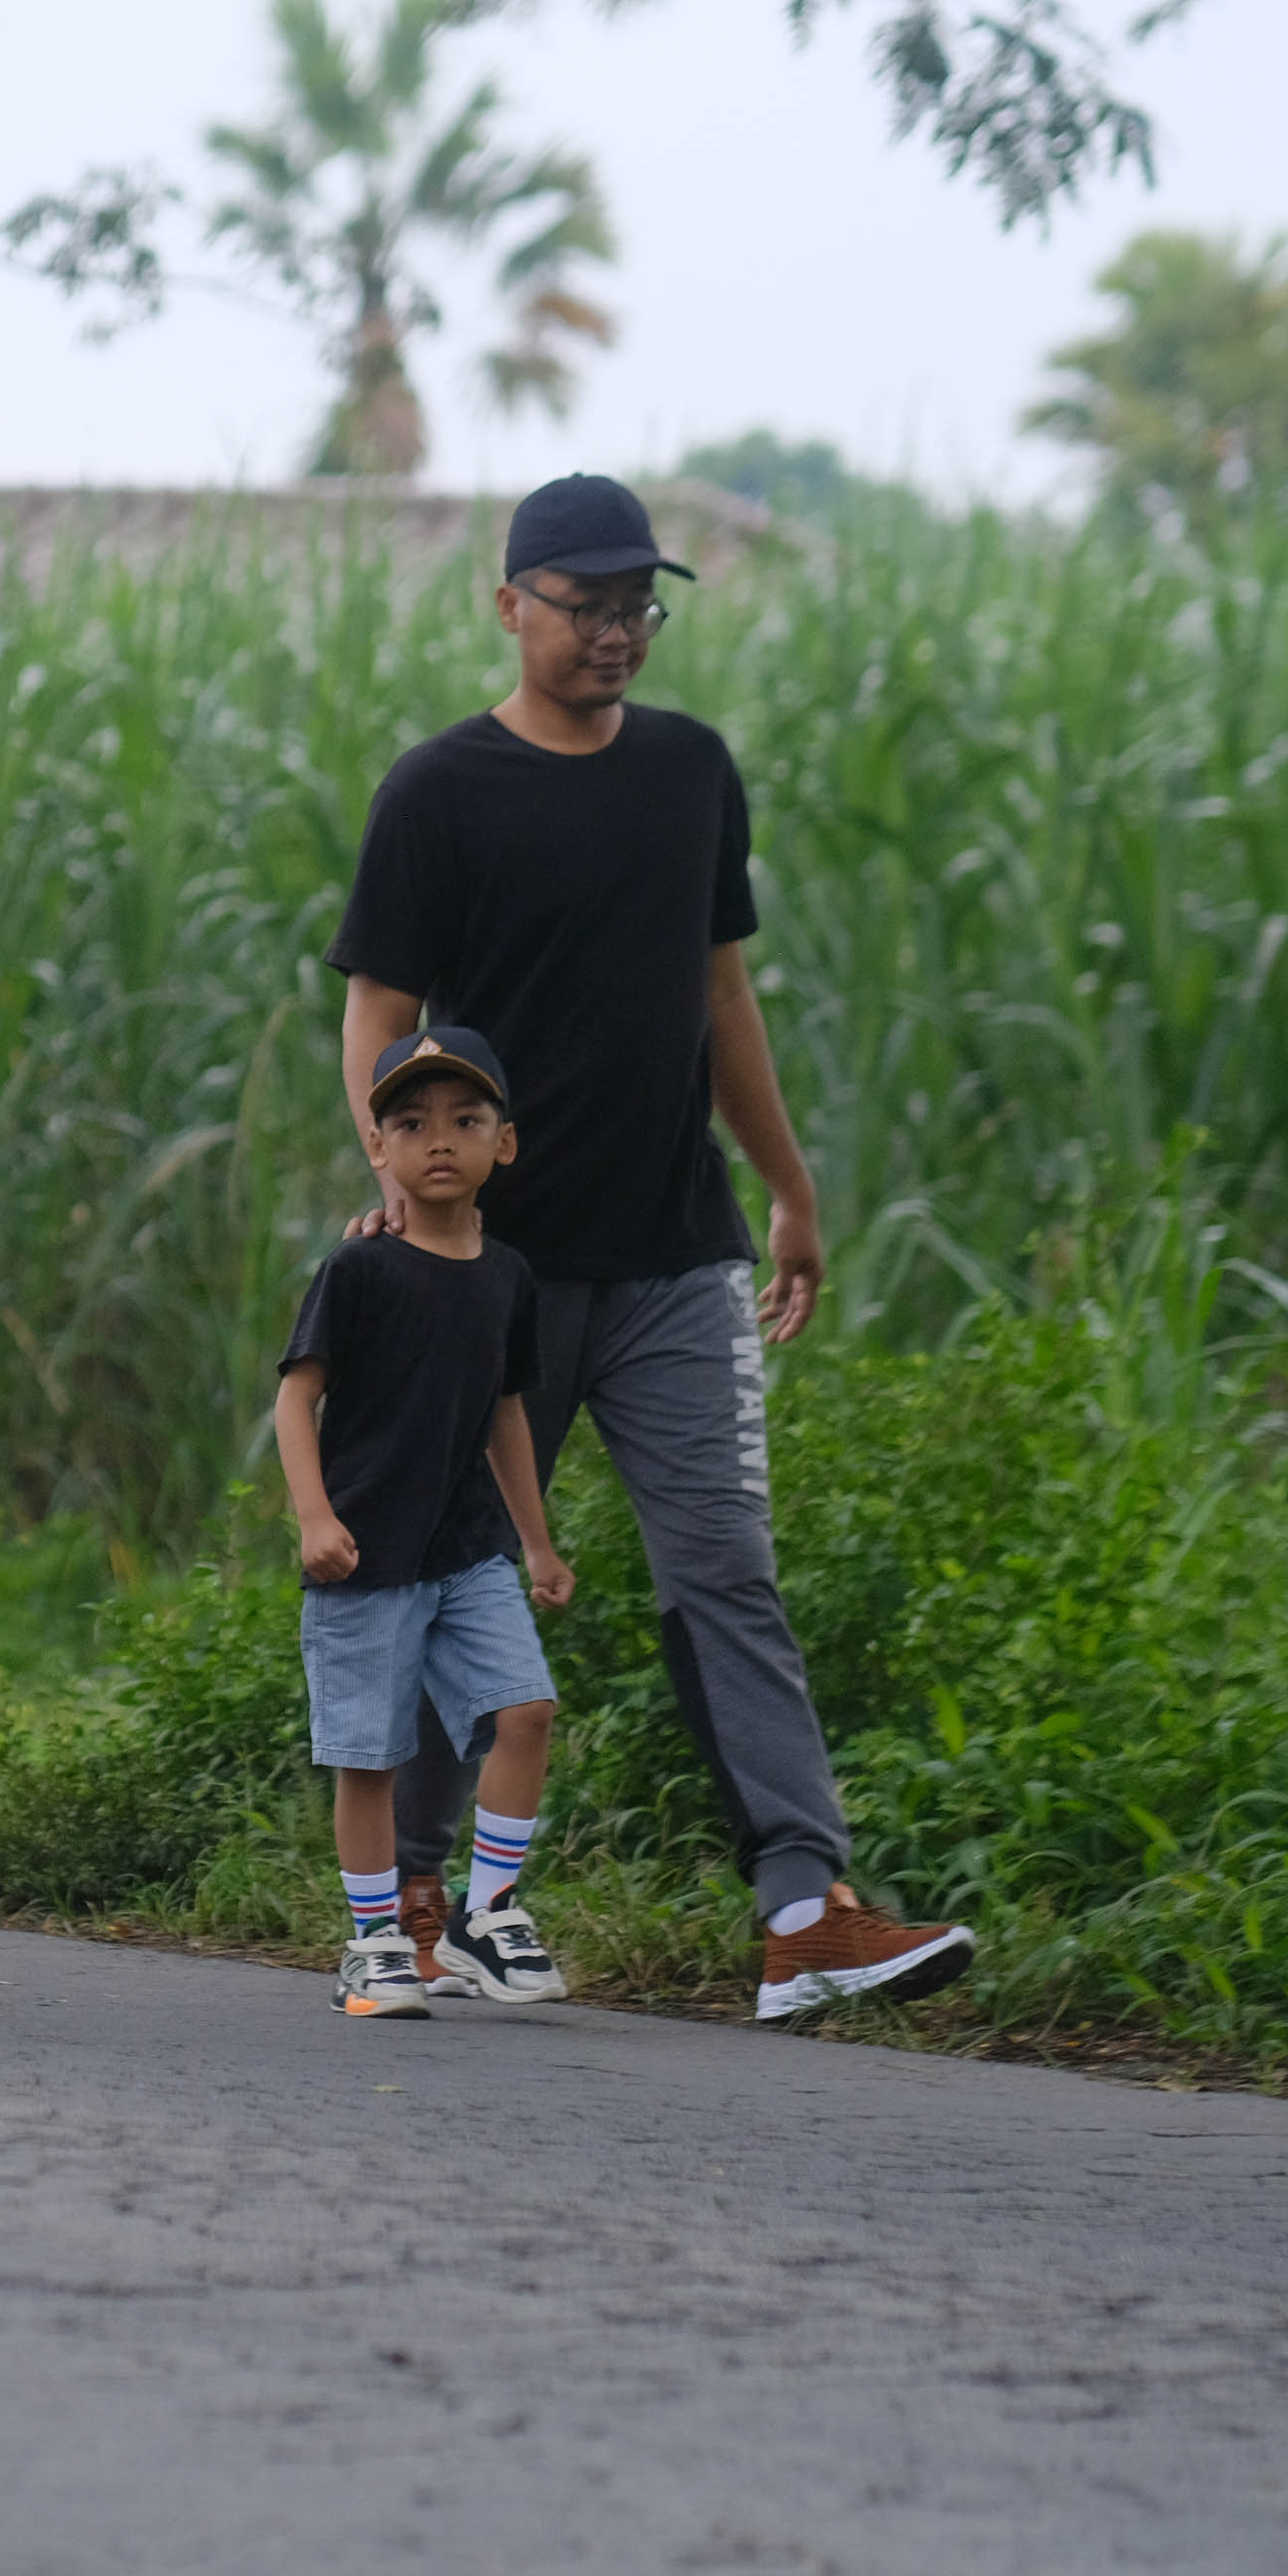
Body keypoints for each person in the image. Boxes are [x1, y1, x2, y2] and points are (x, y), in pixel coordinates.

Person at [330, 473, 978, 2023]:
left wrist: (789, 1186)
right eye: (587, 606)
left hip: (678, 1255)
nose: (617, 632)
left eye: (639, 607)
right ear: (511, 607)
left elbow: (721, 995)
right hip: (494, 1271)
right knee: (448, 1572)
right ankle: (413, 1905)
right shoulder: (440, 791)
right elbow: (378, 1014)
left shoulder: (691, 772)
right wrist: (404, 1188)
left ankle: (804, 1910)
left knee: (726, 1572)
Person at [274, 1027, 577, 2018]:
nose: (438, 1140)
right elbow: (296, 1397)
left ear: (505, 1142)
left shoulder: (509, 1276)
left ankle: (485, 1915)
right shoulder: (359, 1268)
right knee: (371, 1757)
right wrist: (314, 1516)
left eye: (465, 1120)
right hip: (366, 1554)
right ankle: (372, 1945)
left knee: (525, 1711)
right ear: (377, 1147)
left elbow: (505, 1415)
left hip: (468, 1551)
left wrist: (536, 1541)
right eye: (409, 1123)